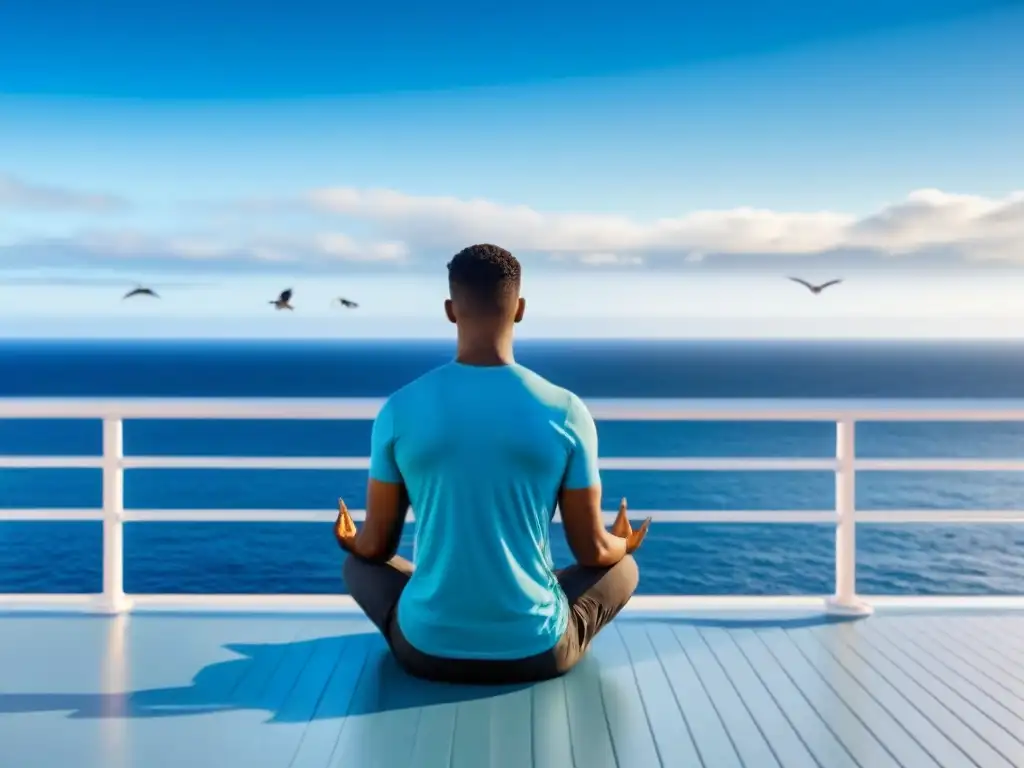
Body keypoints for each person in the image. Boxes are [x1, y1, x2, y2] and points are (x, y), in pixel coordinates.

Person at [335, 243, 650, 685]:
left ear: (450, 309)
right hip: (537, 653)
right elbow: (592, 552)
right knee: (625, 569)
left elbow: (376, 550)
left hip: (425, 652)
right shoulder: (566, 410)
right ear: (519, 309)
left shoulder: (399, 409)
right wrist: (624, 543)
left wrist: (352, 540)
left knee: (357, 566)